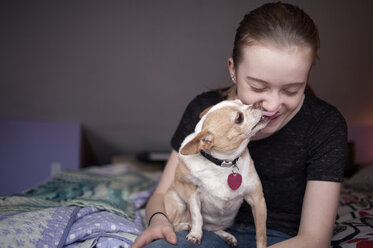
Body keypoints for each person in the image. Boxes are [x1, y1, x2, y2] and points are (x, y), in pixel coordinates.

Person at [132, 2, 347, 248]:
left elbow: (314, 239)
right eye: (258, 87)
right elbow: (161, 194)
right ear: (233, 70)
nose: (273, 105)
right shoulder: (205, 113)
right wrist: (159, 220)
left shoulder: (325, 125)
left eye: (291, 90)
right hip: (202, 231)